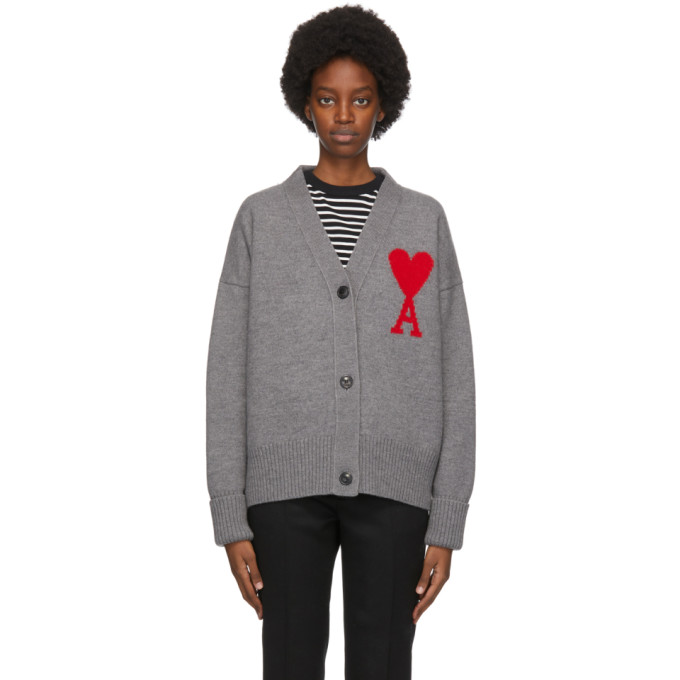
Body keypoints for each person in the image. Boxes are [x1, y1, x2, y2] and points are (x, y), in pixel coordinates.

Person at [205, 5, 476, 679]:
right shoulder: (261, 219)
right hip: (282, 492)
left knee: (382, 666)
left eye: (361, 99)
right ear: (305, 103)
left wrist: (447, 518)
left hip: (397, 490)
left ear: (385, 106)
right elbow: (226, 373)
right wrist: (230, 513)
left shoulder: (424, 221)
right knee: (290, 665)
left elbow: (457, 374)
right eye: (328, 99)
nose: (345, 115)